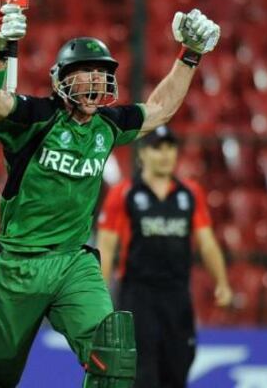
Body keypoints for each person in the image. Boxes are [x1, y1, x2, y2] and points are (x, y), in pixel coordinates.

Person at [0, 4, 221, 388]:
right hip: (18, 264)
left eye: (103, 73)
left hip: (72, 264)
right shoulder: (36, 118)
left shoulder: (108, 126)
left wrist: (190, 54)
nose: (96, 80)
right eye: (86, 72)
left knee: (112, 357)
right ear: (62, 79)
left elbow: (160, 110)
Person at [97, 125, 232, 388]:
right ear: (142, 154)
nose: (165, 154)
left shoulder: (189, 193)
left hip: (177, 296)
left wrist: (223, 283)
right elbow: (106, 248)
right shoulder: (124, 194)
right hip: (137, 297)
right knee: (141, 375)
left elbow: (206, 243)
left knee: (177, 370)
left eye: (170, 147)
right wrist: (100, 296)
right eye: (157, 148)